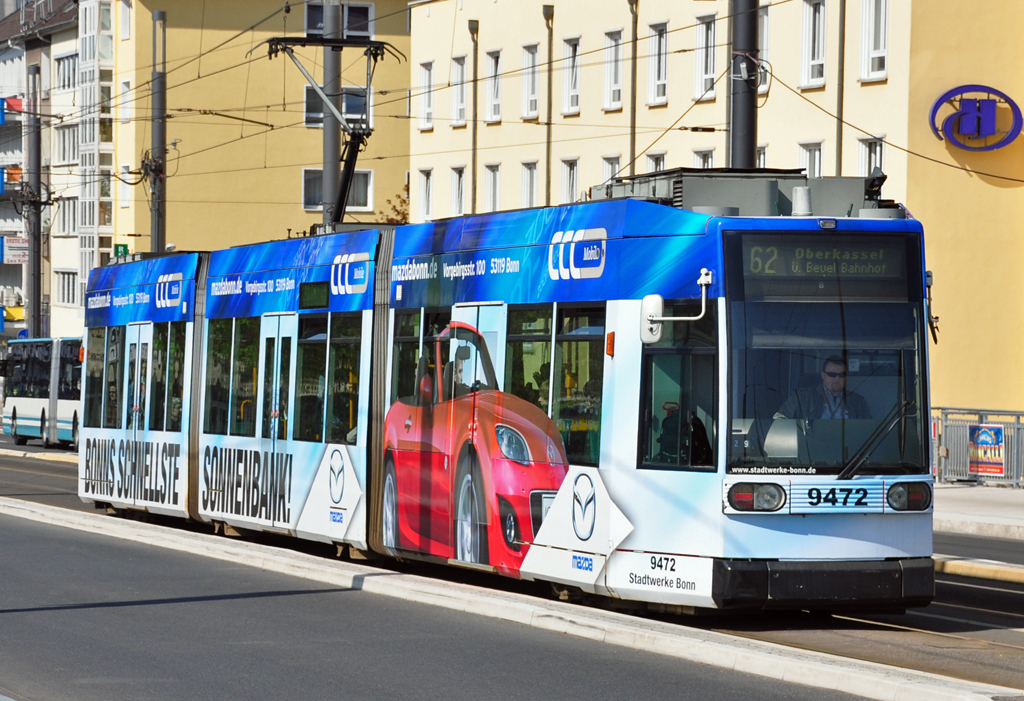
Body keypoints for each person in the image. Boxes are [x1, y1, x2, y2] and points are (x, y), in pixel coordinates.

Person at [774, 356, 871, 420]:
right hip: (812, 444)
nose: (837, 378)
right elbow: (779, 418)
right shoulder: (803, 396)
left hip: (847, 444)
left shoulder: (858, 402)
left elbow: (868, 428)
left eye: (841, 375)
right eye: (832, 374)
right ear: (823, 375)